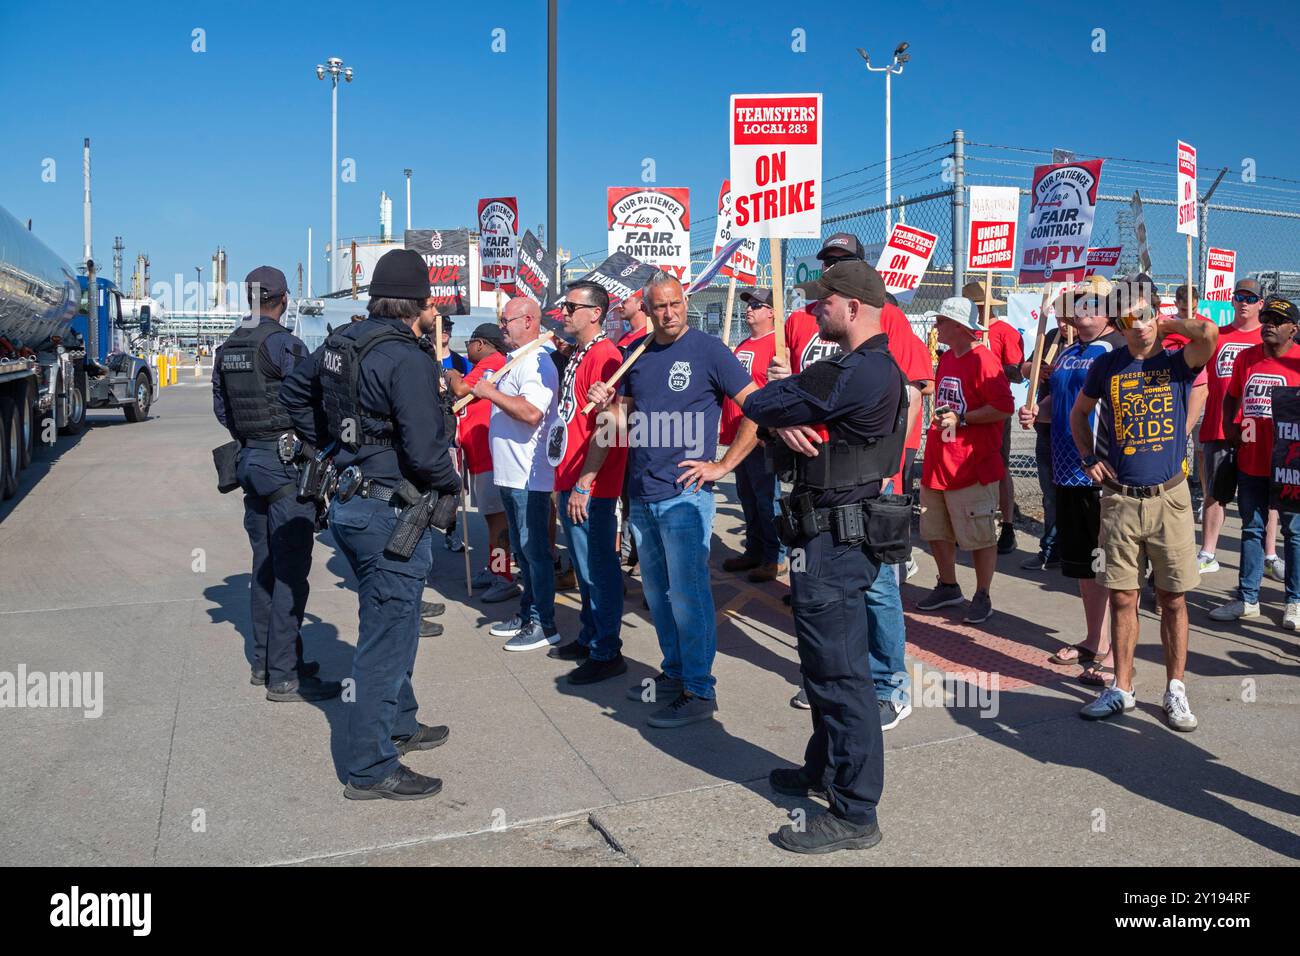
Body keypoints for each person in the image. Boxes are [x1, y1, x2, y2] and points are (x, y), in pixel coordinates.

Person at [281, 248, 461, 800]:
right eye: (431, 300)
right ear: (420, 304)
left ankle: (400, 723)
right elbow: (428, 450)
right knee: (386, 639)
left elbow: (293, 395)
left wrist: (338, 446)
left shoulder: (341, 341)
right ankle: (370, 766)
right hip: (391, 513)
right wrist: (450, 486)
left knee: (392, 623)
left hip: (353, 506)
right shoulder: (410, 358)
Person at [741, 259, 906, 854]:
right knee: (822, 668)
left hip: (836, 541)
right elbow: (770, 414)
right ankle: (823, 770)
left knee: (841, 675)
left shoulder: (860, 370)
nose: (815, 311)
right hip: (824, 539)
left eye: (823, 303)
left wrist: (778, 418)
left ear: (853, 307)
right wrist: (783, 426)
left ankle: (855, 811)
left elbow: (763, 400)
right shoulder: (854, 368)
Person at [587, 271, 760, 728]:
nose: (669, 313)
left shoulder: (708, 350)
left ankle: (700, 690)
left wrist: (723, 466)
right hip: (642, 495)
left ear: (686, 302)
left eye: (676, 303)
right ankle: (676, 673)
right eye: (660, 306)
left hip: (686, 497)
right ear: (647, 309)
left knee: (689, 597)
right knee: (658, 597)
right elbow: (617, 426)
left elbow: (755, 407)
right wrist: (606, 404)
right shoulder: (635, 355)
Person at [772, 236, 932, 723]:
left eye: (845, 262)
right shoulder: (800, 320)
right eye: (829, 263)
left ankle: (889, 685)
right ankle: (829, 676)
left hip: (868, 477)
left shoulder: (887, 318)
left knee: (878, 583)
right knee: (816, 582)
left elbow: (915, 393)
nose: (835, 270)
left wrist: (890, 470)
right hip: (811, 480)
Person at [1071, 279, 1217, 731]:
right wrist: (1088, 457)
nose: (1140, 327)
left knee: (1173, 599)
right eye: (1130, 319)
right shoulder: (1107, 365)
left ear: (1157, 315)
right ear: (1119, 323)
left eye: (1146, 316)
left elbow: (1208, 335)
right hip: (1120, 500)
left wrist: (1164, 320)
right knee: (1122, 597)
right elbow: (1079, 413)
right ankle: (1123, 688)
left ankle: (1175, 690)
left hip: (1169, 499)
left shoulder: (1177, 361)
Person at [212, 266, 337, 702]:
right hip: (283, 466)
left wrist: (254, 440)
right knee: (291, 573)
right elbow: (314, 400)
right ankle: (284, 675)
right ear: (283, 299)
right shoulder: (284, 344)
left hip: (249, 460)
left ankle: (267, 661)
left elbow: (222, 409)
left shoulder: (229, 346)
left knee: (264, 568)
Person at [1018, 279, 1123, 685]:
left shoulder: (1116, 349)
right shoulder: (1067, 351)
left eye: (1092, 302)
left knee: (1111, 564)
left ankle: (1117, 650)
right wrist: (1036, 413)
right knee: (1084, 564)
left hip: (1101, 473)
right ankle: (1094, 640)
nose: (1082, 308)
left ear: (1110, 310)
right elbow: (1058, 404)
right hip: (1066, 470)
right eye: (1079, 301)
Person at [546, 281, 630, 683]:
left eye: (570, 306)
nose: (563, 312)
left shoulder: (606, 355)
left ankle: (607, 650)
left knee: (599, 567)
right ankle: (591, 634)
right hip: (571, 477)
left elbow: (612, 425)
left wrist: (585, 483)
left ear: (595, 313)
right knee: (584, 565)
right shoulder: (582, 353)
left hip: (591, 487)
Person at [916, 296, 1014, 624]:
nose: (935, 327)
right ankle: (948, 584)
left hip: (970, 464)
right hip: (939, 461)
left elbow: (1003, 406)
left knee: (978, 533)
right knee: (935, 529)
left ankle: (982, 593)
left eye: (941, 322)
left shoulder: (983, 360)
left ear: (959, 326)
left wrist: (964, 419)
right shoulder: (947, 359)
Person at [473, 297, 562, 651]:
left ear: (528, 320)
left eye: (506, 320)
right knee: (522, 552)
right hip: (510, 474)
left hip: (530, 475)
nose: (501, 326)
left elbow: (530, 413)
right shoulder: (517, 359)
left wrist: (490, 393)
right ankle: (528, 613)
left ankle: (545, 623)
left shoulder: (539, 361)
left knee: (535, 550)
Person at [1212, 296, 1300, 628]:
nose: (1269, 325)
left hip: (1291, 468)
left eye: (1278, 320)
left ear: (1294, 328)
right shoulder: (1247, 358)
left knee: (1294, 534)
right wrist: (1230, 426)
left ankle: (1295, 601)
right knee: (1252, 529)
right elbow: (1232, 394)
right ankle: (1248, 599)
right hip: (1251, 461)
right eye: (1267, 320)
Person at [446, 323, 520, 603]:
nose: (467, 348)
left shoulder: (493, 361)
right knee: (491, 518)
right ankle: (495, 567)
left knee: (497, 518)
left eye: (470, 343)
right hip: (478, 454)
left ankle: (503, 575)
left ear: (481, 343)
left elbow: (463, 386)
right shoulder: (489, 362)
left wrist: (451, 373)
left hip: (489, 453)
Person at [1197, 278, 1265, 574]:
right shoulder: (1217, 337)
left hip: (1256, 431)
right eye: (1239, 296)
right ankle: (1208, 552)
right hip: (1219, 427)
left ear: (1261, 304)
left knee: (1263, 498)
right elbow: (1199, 382)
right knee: (1215, 492)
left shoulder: (1268, 339)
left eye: (1251, 298)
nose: (1245, 302)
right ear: (1232, 300)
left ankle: (1270, 554)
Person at [719, 287, 786, 582]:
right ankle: (755, 549)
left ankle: (776, 556)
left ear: (772, 312)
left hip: (760, 437)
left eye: (757, 305)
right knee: (746, 495)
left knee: (766, 498)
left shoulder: (778, 345)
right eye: (749, 305)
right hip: (738, 436)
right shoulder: (743, 343)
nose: (750, 309)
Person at [962, 280, 1025, 555]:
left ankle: (1008, 526)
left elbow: (1018, 372)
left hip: (994, 409)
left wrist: (992, 362)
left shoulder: (1004, 331)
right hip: (966, 408)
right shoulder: (966, 330)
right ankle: (971, 522)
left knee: (999, 464)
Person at [1017, 300, 1071, 571]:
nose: (1063, 324)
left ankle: (1078, 551)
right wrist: (1039, 370)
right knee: (1049, 493)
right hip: (1047, 429)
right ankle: (1051, 550)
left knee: (1077, 496)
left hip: (1074, 432)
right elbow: (1025, 368)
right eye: (1059, 318)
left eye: (1067, 317)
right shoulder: (1050, 338)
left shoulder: (1086, 342)